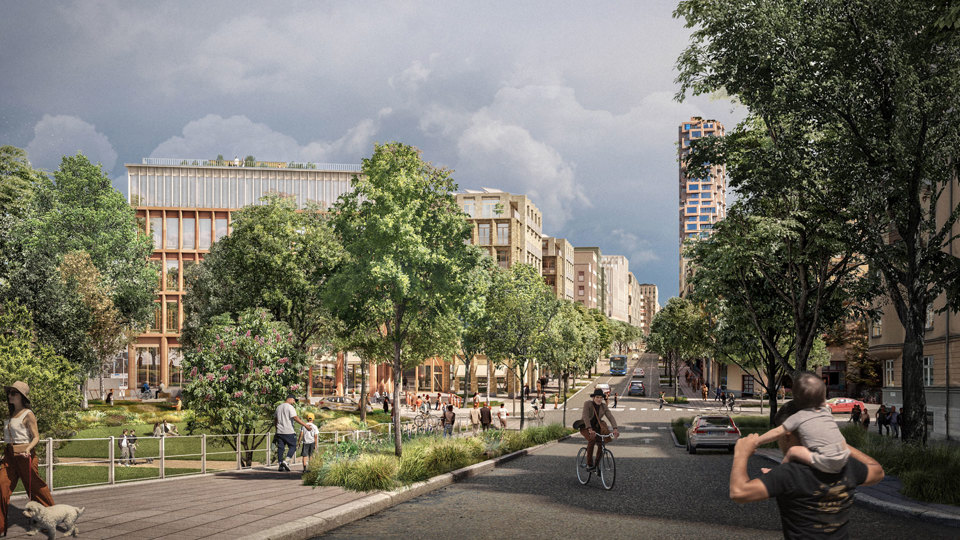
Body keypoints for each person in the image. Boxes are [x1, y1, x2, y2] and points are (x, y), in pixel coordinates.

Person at [729, 399, 884, 539]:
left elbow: (739, 492)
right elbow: (877, 471)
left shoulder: (789, 474)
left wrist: (741, 454)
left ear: (787, 434)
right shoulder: (845, 465)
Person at [754, 373, 849, 474]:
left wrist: (757, 441)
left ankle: (778, 473)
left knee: (793, 451)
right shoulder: (825, 413)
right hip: (844, 457)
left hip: (826, 462)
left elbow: (777, 432)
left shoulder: (800, 416)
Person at [577, 389, 620, 471]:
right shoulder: (588, 404)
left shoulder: (603, 406)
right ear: (593, 397)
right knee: (592, 440)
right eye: (597, 397)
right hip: (585, 427)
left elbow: (610, 416)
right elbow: (585, 416)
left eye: (601, 397)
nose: (599, 399)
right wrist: (589, 429)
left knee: (601, 443)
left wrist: (615, 428)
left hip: (596, 428)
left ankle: (596, 465)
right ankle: (589, 464)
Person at [274, 394, 311, 472]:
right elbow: (295, 417)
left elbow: (275, 420)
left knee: (281, 448)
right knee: (293, 446)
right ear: (289, 399)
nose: (294, 402)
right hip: (289, 431)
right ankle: (286, 461)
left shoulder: (278, 407)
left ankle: (280, 465)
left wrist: (276, 429)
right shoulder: (290, 407)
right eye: (294, 400)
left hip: (279, 432)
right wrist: (305, 425)